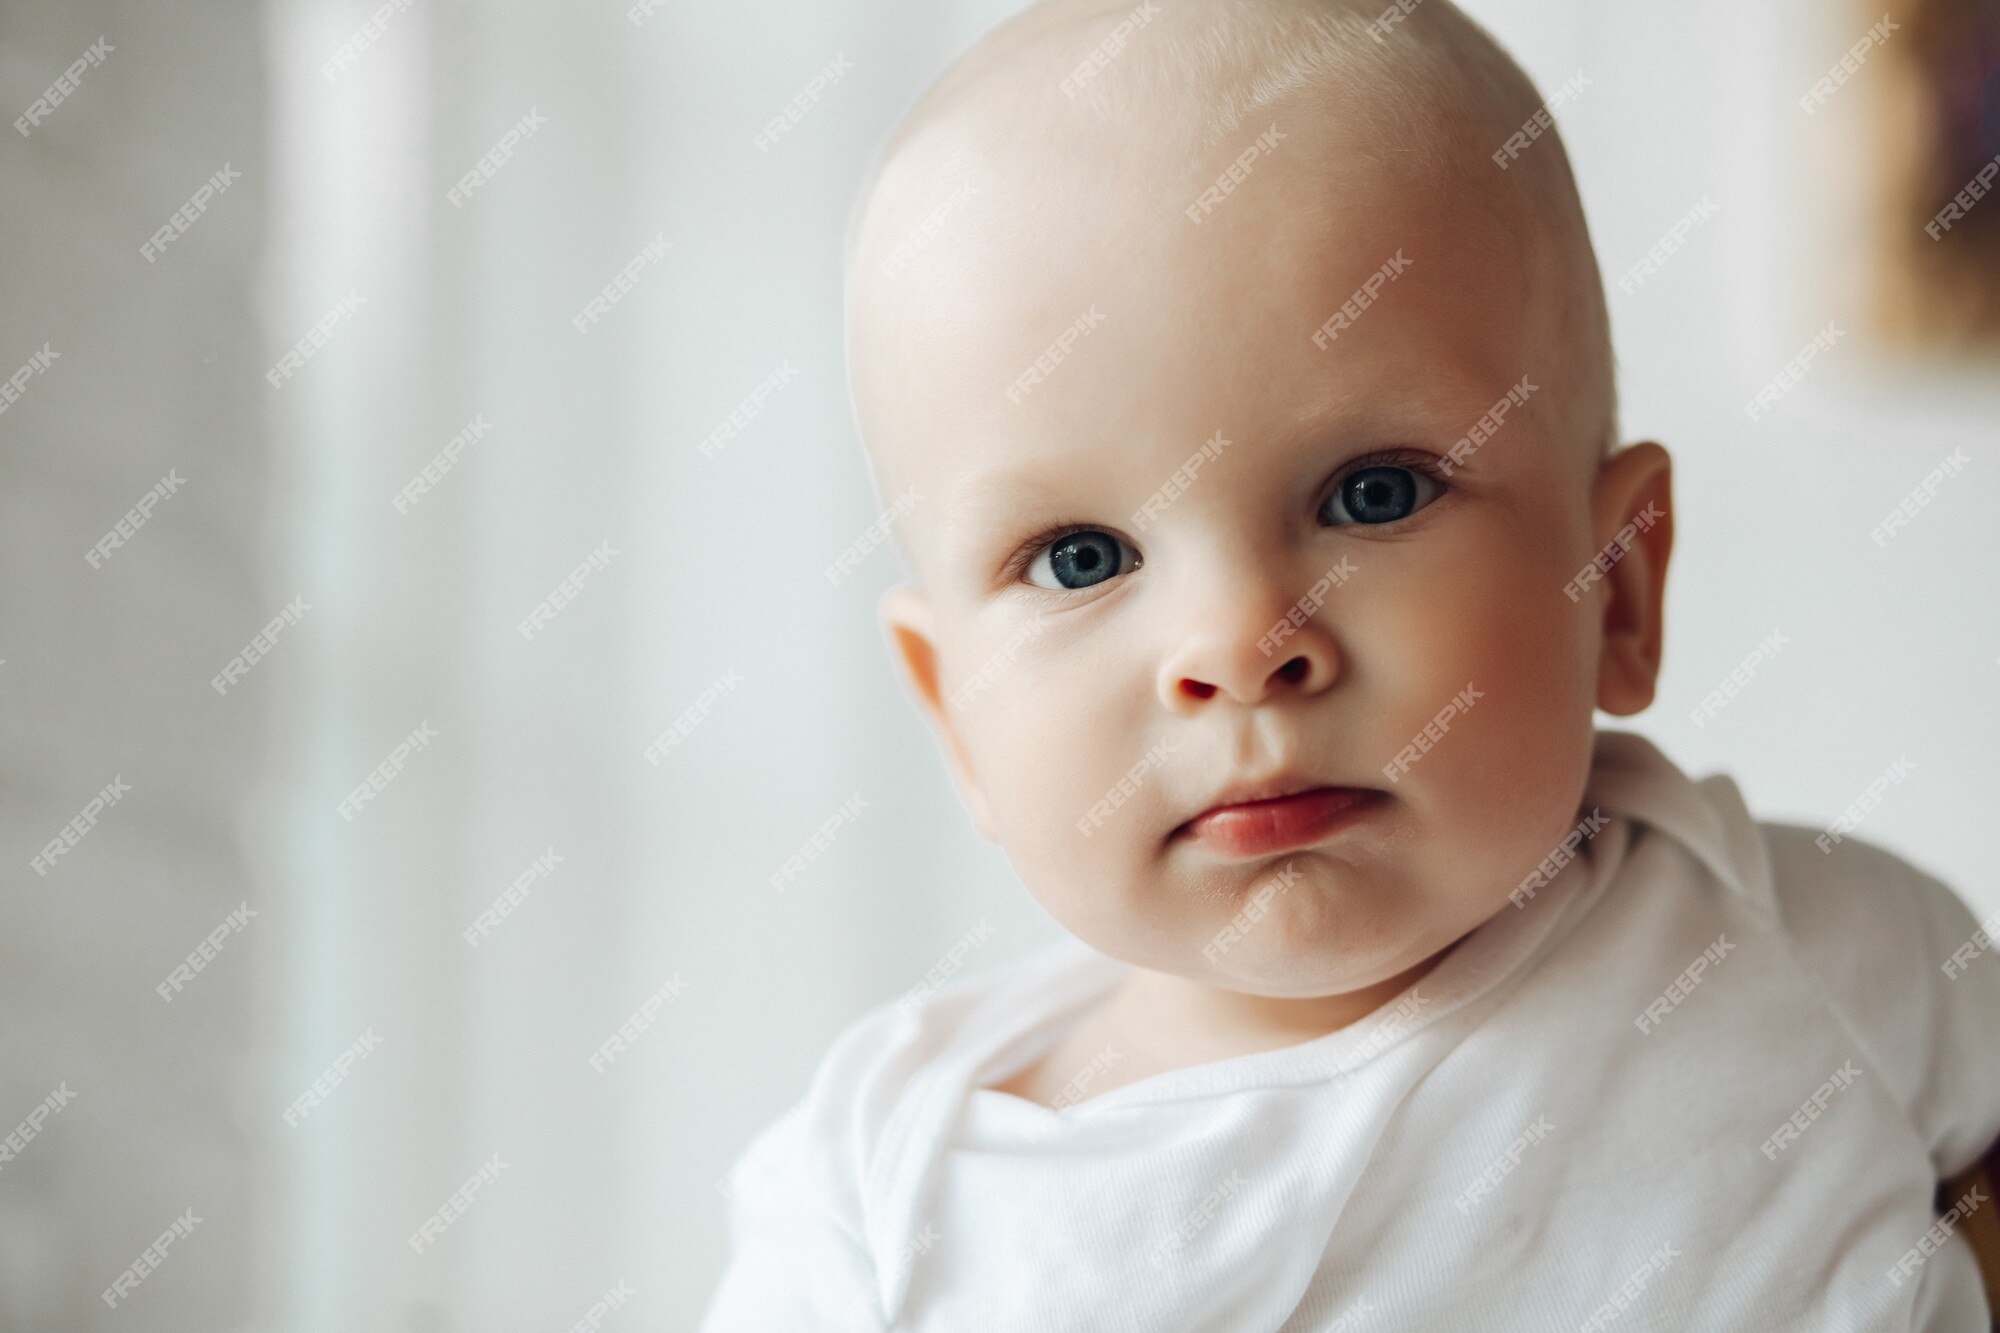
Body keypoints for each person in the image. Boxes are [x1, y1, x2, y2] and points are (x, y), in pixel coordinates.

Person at [701, 0, 2000, 1325]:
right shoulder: (885, 1201)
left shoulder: (1799, 942)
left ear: (1614, 586)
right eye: (1082, 557)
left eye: (1374, 494)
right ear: (955, 715)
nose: (1241, 645)